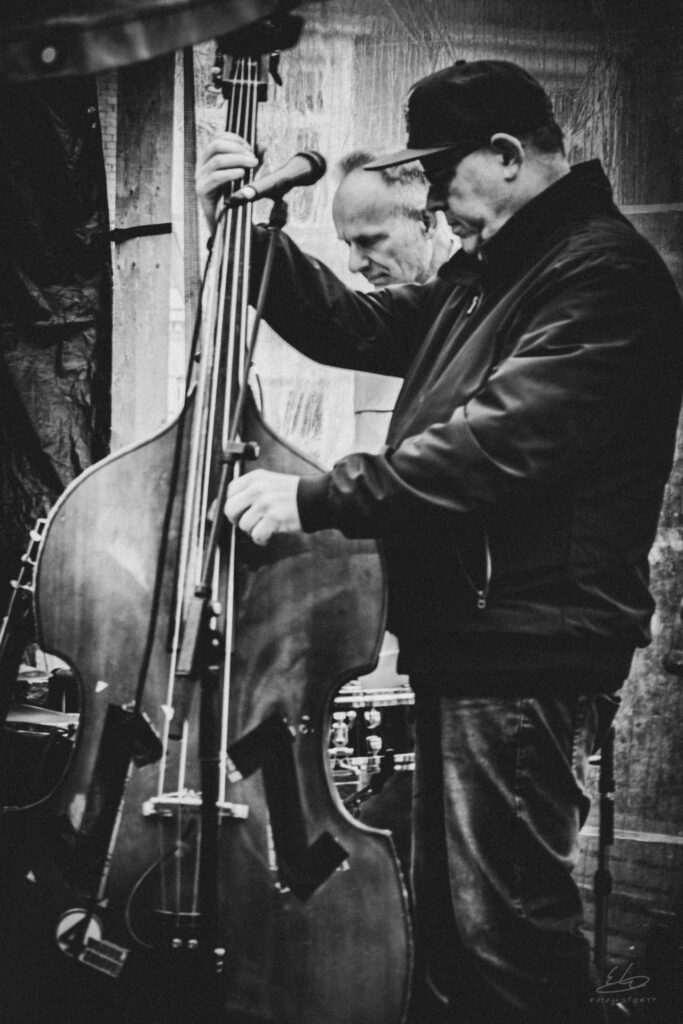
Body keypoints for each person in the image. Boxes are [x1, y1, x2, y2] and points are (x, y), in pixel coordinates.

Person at [197, 59, 683, 1024]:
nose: (428, 200)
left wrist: (315, 498)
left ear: (503, 155)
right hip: (472, 643)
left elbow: (492, 448)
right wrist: (248, 234)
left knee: (509, 947)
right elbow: (349, 323)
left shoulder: (598, 275)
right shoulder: (495, 273)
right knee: (457, 945)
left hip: (524, 649)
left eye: (437, 173)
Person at [332, 149, 455, 286]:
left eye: (368, 241)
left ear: (427, 223)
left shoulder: (473, 292)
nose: (354, 265)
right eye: (348, 244)